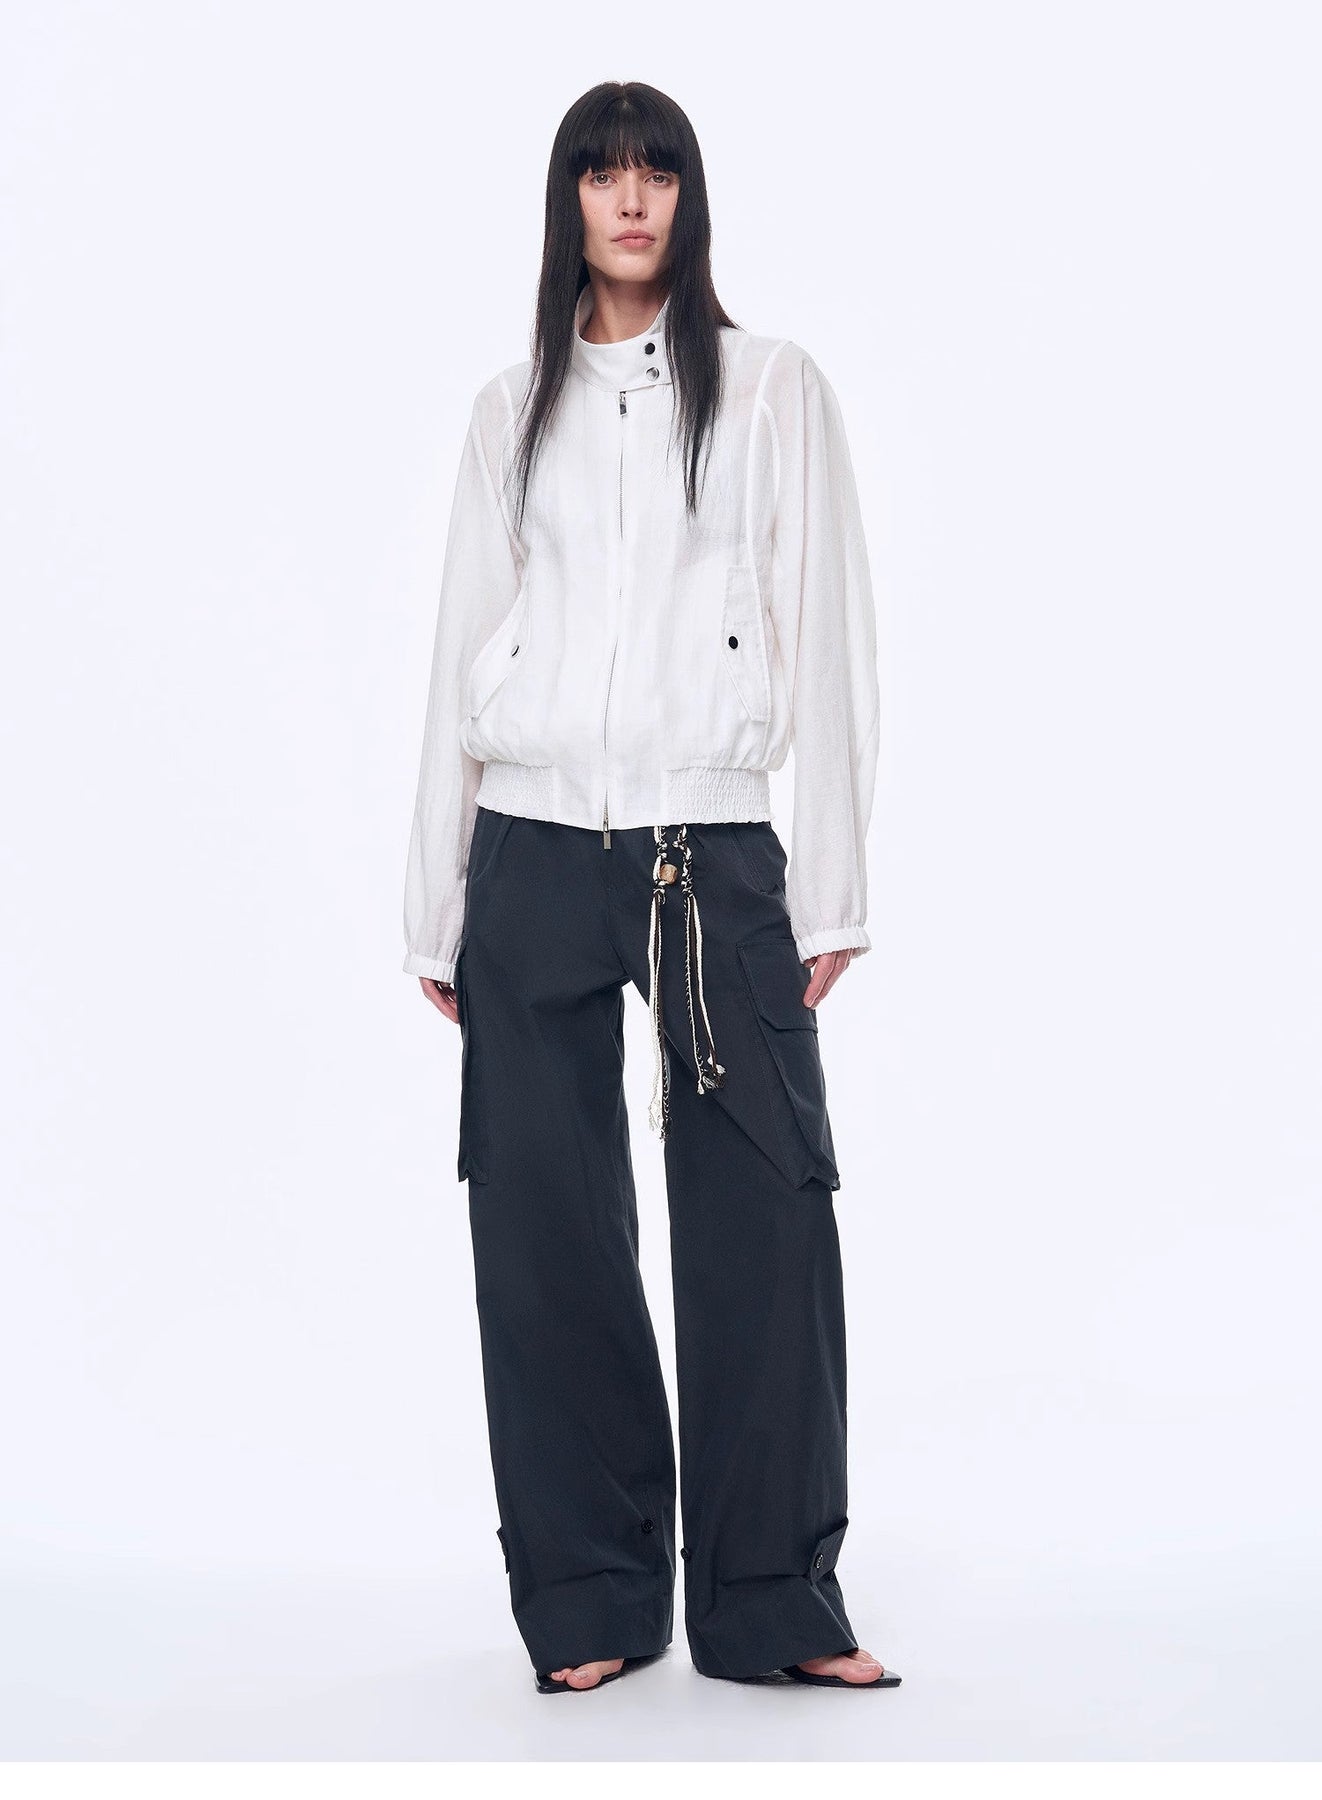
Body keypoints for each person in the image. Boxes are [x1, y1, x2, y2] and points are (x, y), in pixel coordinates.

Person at [402, 80, 898, 1696]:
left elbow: (829, 637)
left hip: (707, 852)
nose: (629, 198)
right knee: (541, 1233)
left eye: (656, 171)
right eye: (601, 173)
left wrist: (830, 888)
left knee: (763, 1219)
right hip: (532, 850)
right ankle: (591, 1602)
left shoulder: (768, 390)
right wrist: (436, 899)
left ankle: (773, 1603)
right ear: (567, 202)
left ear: (689, 197)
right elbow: (459, 647)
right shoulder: (509, 410)